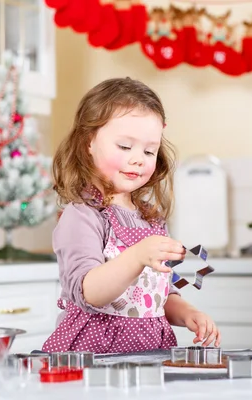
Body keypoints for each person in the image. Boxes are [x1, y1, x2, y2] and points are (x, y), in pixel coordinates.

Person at [41, 77, 220, 354]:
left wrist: (186, 313)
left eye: (149, 150)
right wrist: (137, 256)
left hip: (150, 352)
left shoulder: (151, 219)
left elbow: (156, 294)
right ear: (89, 142)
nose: (139, 158)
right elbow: (90, 292)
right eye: (125, 146)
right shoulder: (83, 215)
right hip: (95, 354)